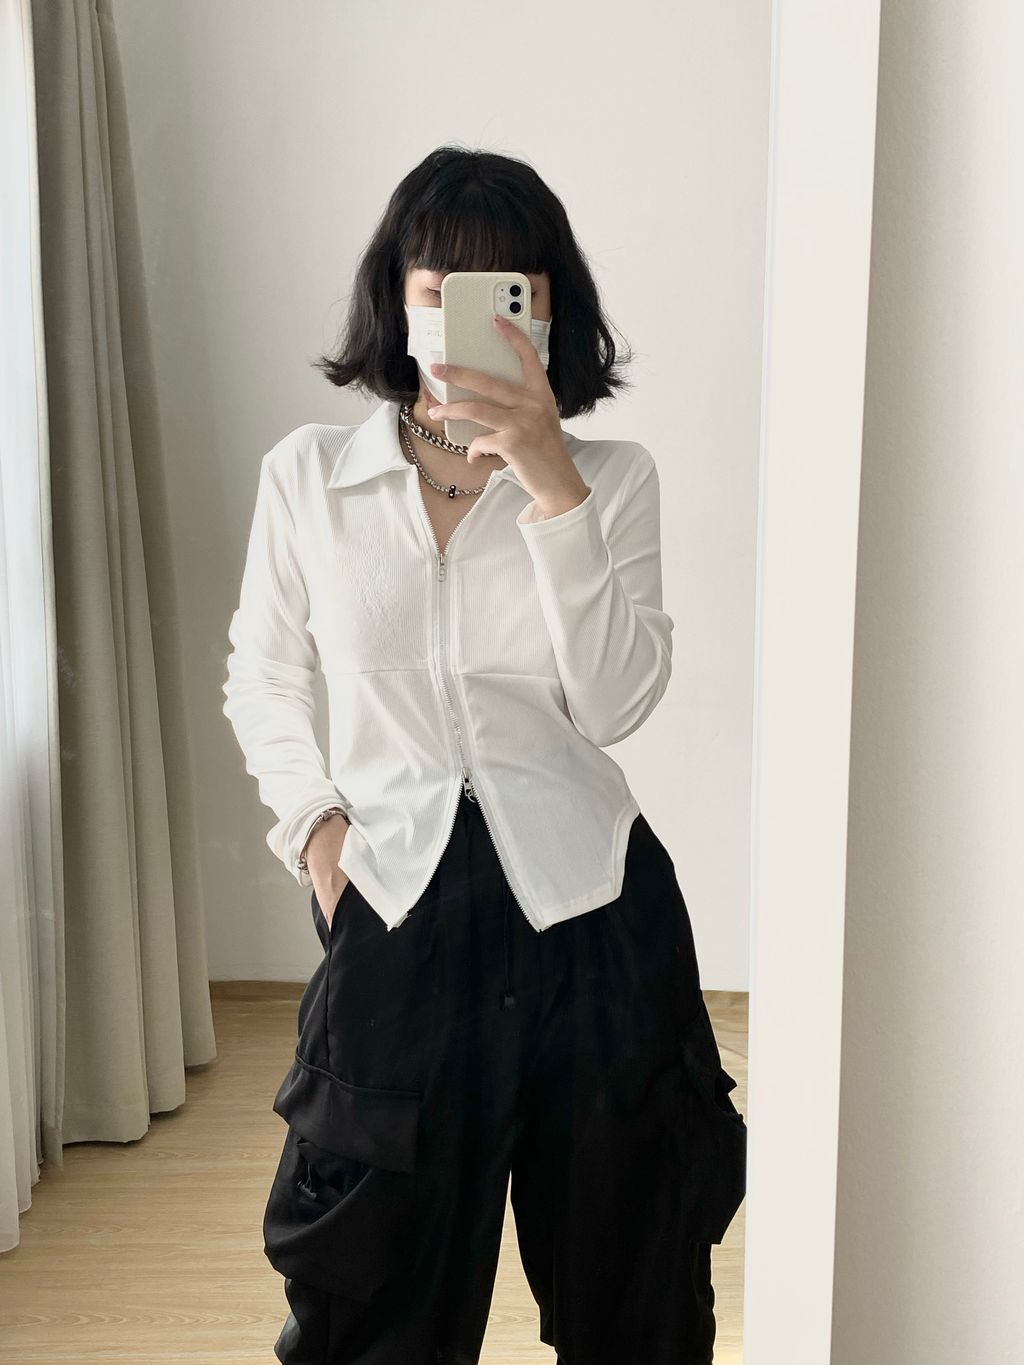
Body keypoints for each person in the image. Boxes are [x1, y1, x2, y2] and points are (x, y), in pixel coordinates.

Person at [222, 145, 746, 1365]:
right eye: (440, 285)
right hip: (393, 908)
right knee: (372, 1302)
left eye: (512, 288)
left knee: (635, 1292)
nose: (473, 314)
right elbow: (264, 673)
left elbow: (613, 704)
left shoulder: (611, 481)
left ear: (551, 309)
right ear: (398, 301)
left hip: (595, 918)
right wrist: (315, 830)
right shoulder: (309, 477)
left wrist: (552, 483)